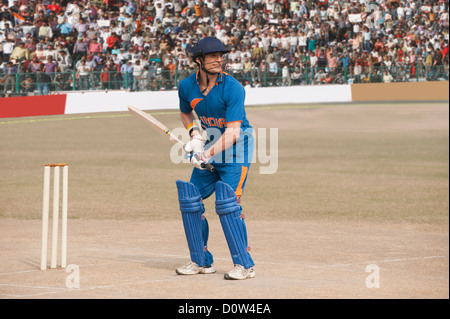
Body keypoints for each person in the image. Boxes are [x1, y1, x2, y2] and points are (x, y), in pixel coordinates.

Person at [175, 37, 255, 280]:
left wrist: (204, 153)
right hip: (210, 145)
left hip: (236, 151)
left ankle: (245, 265)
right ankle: (200, 261)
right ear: (198, 60)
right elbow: (186, 112)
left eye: (221, 55)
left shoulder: (232, 88)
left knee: (228, 205)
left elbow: (232, 133)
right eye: (212, 56)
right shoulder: (186, 86)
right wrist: (195, 135)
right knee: (190, 200)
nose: (219, 59)